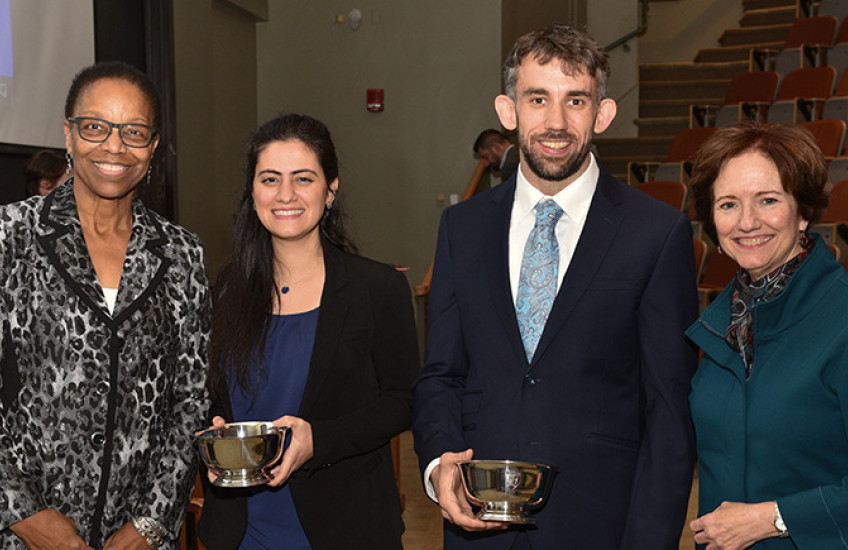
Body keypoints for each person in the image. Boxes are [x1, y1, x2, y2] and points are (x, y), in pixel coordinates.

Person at [412, 23, 699, 550]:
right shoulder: (462, 228)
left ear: (603, 115)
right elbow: (441, 375)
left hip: (600, 525)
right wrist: (439, 466)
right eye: (537, 98)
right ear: (507, 110)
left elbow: (668, 410)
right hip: (478, 525)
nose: (556, 122)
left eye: (576, 101)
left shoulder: (657, 234)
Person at [0, 61, 211, 549]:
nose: (114, 146)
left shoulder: (181, 255)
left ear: (153, 146)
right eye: (95, 127)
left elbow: (190, 402)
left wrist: (150, 524)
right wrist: (26, 516)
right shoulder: (10, 237)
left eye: (134, 131)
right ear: (68, 136)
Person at [196, 113, 420, 550]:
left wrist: (320, 439)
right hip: (242, 531)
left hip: (344, 527)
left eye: (303, 178)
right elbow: (212, 397)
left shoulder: (377, 288)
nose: (285, 195)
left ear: (330, 190)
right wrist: (214, 426)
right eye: (269, 179)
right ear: (252, 192)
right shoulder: (224, 289)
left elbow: (405, 401)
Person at [687, 121, 848, 549]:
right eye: (728, 205)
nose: (747, 222)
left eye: (768, 200)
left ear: (804, 212)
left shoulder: (843, 319)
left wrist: (775, 519)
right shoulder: (722, 322)